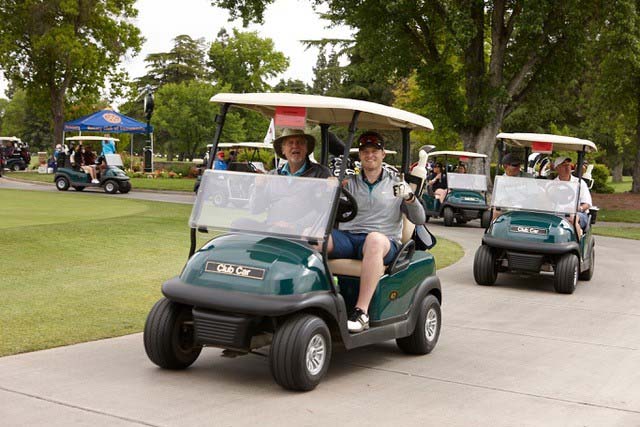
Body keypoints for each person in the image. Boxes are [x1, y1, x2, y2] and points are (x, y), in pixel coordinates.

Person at [327, 131, 425, 333]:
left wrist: (409, 198)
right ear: (360, 155)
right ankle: (310, 297)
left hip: (384, 242)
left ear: (383, 154)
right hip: (349, 238)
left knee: (373, 240)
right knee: (317, 238)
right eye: (365, 151)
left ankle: (361, 312)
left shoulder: (396, 183)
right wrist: (330, 188)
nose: (369, 155)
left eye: (374, 151)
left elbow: (419, 219)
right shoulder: (350, 182)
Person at [553, 156, 592, 239]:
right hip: (556, 213)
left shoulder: (580, 183)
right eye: (564, 166)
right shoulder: (551, 184)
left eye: (569, 165)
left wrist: (579, 208)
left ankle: (578, 245)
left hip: (577, 213)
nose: (567, 168)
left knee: (572, 218)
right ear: (557, 168)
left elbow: (587, 204)